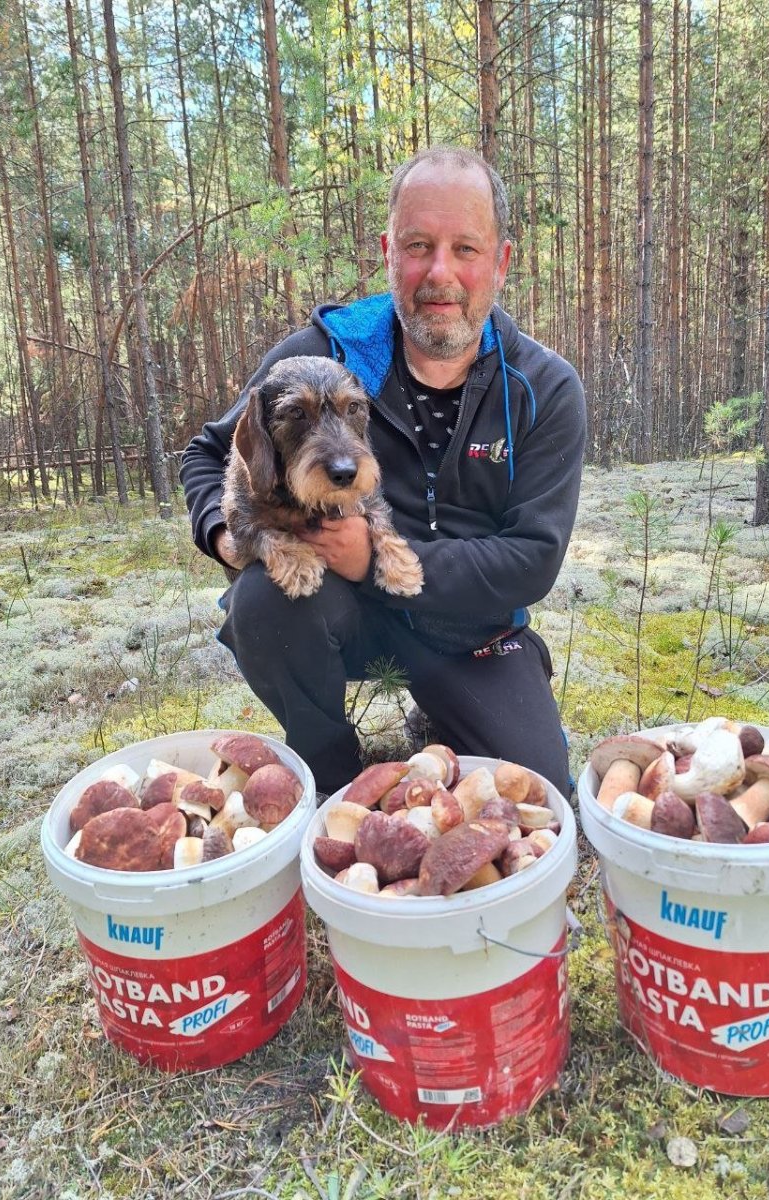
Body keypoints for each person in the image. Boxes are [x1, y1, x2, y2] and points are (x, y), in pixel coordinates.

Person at [181, 147, 586, 797]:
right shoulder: (323, 358)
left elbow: (532, 560)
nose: (439, 273)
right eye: (418, 245)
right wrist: (228, 537)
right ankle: (330, 765)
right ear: (388, 252)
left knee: (536, 789)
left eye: (465, 248)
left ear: (501, 261)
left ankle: (449, 711)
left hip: (473, 629)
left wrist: (372, 556)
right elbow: (207, 454)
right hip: (343, 614)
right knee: (262, 599)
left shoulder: (543, 388)